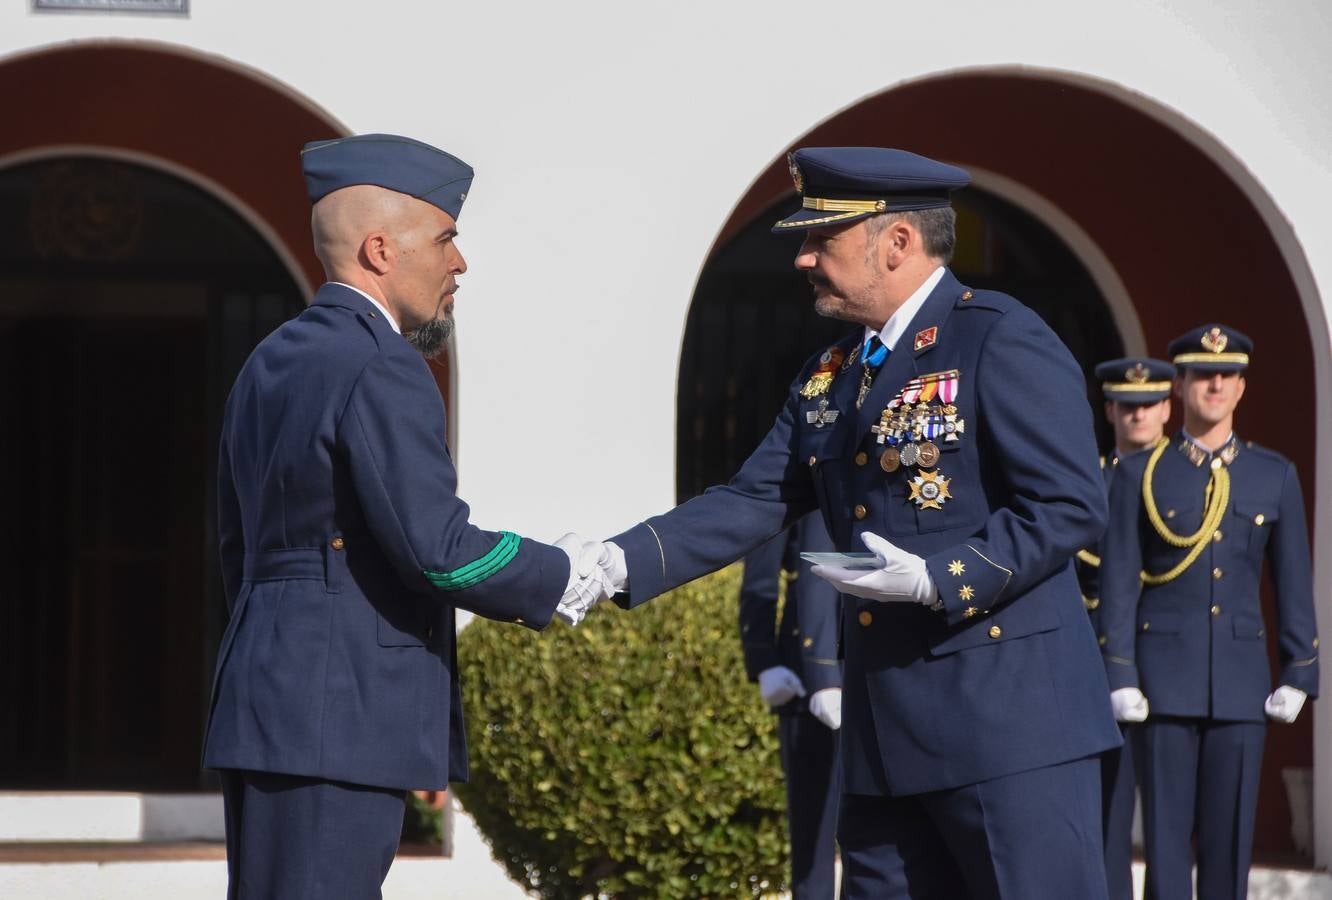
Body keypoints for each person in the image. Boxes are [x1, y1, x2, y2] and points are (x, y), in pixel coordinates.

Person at [577, 147, 1120, 899]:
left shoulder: (998, 338)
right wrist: (615, 561)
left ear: (895, 243)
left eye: (820, 241)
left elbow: (1069, 505)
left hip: (1009, 731)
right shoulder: (831, 373)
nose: (803, 259)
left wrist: (941, 577)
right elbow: (754, 498)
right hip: (883, 739)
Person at [202, 133, 605, 900]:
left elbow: (237, 547)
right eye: (447, 238)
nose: (460, 263)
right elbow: (440, 550)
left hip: (270, 701)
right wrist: (560, 574)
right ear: (381, 250)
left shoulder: (272, 358)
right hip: (341, 715)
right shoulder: (384, 362)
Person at [1099, 324, 1320, 900]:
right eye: (1201, 374)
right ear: (1181, 387)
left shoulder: (1274, 474)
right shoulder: (1140, 473)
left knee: (1230, 849)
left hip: (1243, 684)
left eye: (1226, 375)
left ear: (1242, 387)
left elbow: (1294, 579)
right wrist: (1119, 671)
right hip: (1162, 680)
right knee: (1167, 850)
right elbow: (1119, 579)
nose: (1214, 384)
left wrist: (1300, 670)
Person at [1075, 356, 1174, 900]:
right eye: (1126, 406)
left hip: (1169, 653)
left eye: (1147, 406)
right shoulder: (1091, 480)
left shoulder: (1192, 482)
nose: (1137, 417)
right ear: (1110, 410)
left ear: (1165, 408)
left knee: (1170, 814)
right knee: (1104, 805)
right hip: (1097, 656)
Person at [739, 512, 842, 900]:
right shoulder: (806, 459)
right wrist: (764, 660)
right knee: (812, 831)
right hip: (802, 670)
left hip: (876, 663)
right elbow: (761, 581)